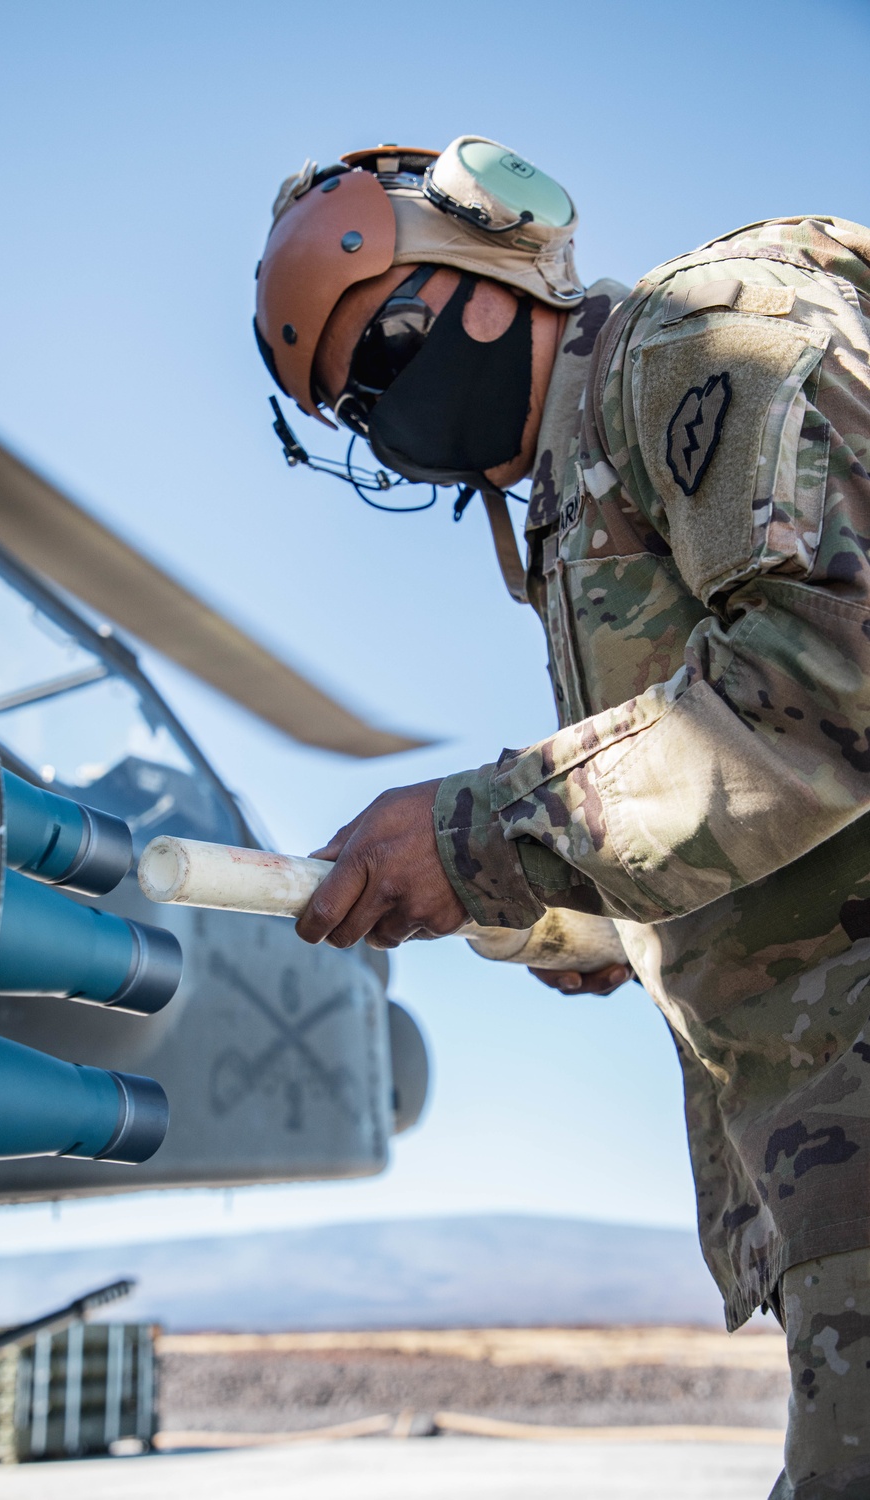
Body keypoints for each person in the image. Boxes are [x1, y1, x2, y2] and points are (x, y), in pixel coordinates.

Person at [254, 137, 870, 1499]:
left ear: (491, 260)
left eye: (391, 352)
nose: (389, 419)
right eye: (354, 410)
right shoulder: (580, 501)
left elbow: (837, 673)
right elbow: (757, 784)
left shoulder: (700, 337)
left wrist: (478, 836)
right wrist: (609, 910)